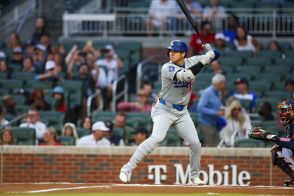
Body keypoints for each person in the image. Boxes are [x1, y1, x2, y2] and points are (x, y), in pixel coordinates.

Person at [119, 40, 219, 185]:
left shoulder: (192, 61)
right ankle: (127, 168)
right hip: (164, 109)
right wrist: (205, 60)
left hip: (182, 112)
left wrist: (211, 51)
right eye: (170, 51)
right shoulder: (167, 67)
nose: (171, 53)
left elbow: (217, 54)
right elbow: (187, 76)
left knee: (195, 144)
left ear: (183, 54)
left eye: (175, 51)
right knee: (157, 138)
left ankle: (194, 176)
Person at [248, 99, 294, 186]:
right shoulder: (291, 126)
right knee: (277, 150)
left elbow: (292, 144)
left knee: (280, 146)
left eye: (285, 110)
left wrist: (272, 137)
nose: (282, 113)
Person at [197, 74, 226, 147]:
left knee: (218, 146)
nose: (224, 85)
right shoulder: (207, 92)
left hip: (215, 125)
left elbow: (215, 106)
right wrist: (216, 113)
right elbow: (200, 108)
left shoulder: (218, 93)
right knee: (211, 148)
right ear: (218, 83)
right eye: (223, 83)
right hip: (206, 125)